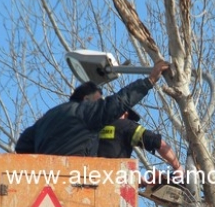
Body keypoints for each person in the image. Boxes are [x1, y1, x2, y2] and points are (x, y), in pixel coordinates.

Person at [15, 61, 170, 156]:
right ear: (86, 99)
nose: (99, 104)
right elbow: (118, 102)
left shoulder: (47, 117)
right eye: (98, 101)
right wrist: (150, 81)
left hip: (48, 178)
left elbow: (22, 146)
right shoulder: (85, 111)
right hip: (77, 176)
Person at [97, 109, 185, 182]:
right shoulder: (125, 125)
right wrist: (177, 167)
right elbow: (158, 143)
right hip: (111, 187)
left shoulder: (92, 129)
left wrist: (135, 178)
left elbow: (108, 155)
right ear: (125, 113)